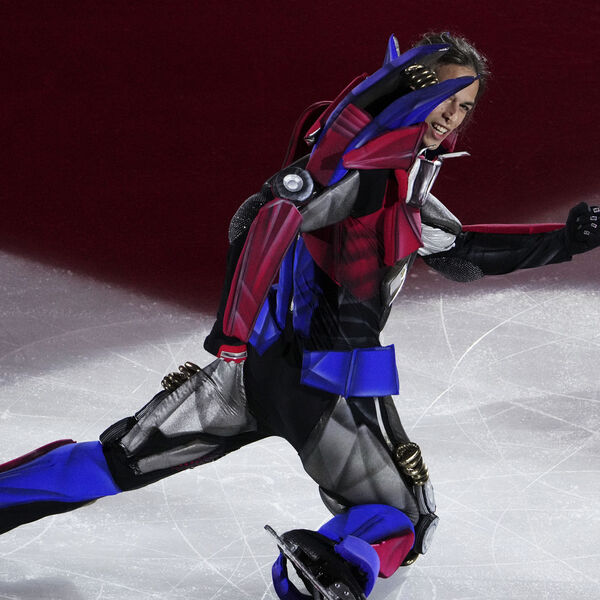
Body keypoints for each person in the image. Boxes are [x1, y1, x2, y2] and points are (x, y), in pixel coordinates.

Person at [1, 32, 598, 600]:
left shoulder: (399, 187)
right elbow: (273, 213)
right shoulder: (358, 175)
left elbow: (461, 250)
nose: (451, 116)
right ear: (410, 92)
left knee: (118, 461)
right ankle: (329, 572)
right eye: (442, 96)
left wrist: (567, 239)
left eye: (464, 106)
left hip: (250, 373)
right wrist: (230, 332)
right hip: (317, 382)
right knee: (399, 520)